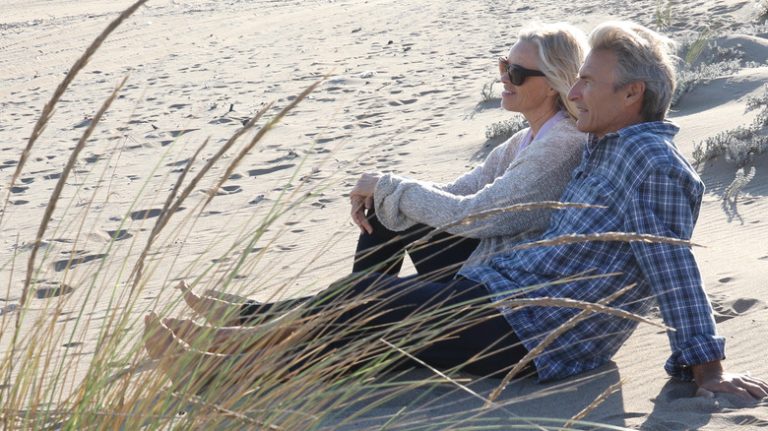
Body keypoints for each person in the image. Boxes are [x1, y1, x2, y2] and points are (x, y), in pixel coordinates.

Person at [145, 20, 768, 401]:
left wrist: (706, 366)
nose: (574, 93)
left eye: (586, 83)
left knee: (379, 311)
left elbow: (671, 268)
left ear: (632, 93)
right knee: (379, 310)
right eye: (572, 81)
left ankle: (222, 362)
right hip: (506, 294)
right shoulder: (605, 146)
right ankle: (234, 351)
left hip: (542, 331)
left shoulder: (653, 165)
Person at [175, 22, 589, 326]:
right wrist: (386, 190)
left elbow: (480, 216)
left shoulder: (559, 146)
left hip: (497, 292)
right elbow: (456, 191)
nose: (503, 77)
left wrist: (391, 187)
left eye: (516, 73)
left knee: (391, 212)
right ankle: (314, 322)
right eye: (503, 64)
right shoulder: (527, 139)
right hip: (481, 263)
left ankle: (283, 323)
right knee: (386, 211)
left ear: (553, 84)